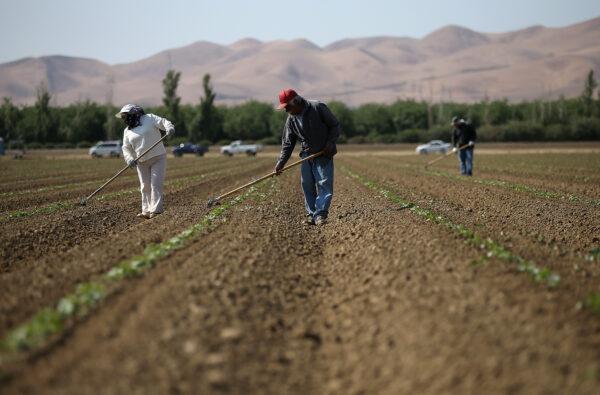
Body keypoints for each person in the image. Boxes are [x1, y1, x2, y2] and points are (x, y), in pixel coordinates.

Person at [274, 89, 341, 226]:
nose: (287, 110)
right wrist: (281, 162)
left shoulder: (317, 107)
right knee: (307, 185)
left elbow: (334, 125)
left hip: (323, 153)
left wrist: (330, 143)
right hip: (306, 154)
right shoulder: (291, 119)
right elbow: (288, 143)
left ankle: (320, 214)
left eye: (288, 107)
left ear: (296, 101)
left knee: (323, 183)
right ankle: (312, 214)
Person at [117, 104, 175, 219]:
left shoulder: (149, 118)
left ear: (134, 114)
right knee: (145, 186)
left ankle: (156, 210)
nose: (124, 119)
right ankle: (146, 211)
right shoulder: (127, 131)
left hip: (158, 157)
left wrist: (169, 128)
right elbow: (126, 148)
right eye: (123, 117)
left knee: (155, 184)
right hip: (141, 161)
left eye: (125, 116)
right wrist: (129, 159)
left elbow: (163, 122)